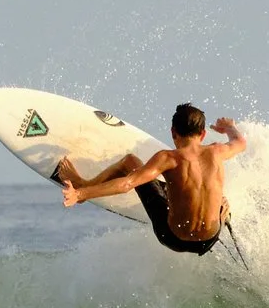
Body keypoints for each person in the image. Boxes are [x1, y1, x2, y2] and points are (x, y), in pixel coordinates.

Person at [55, 103, 245, 256]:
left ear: (173, 133)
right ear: (203, 134)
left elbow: (127, 184)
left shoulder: (169, 158)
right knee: (213, 195)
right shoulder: (218, 151)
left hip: (173, 237)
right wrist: (229, 127)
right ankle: (221, 213)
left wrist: (80, 194)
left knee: (130, 162)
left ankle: (83, 183)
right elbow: (240, 142)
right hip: (208, 240)